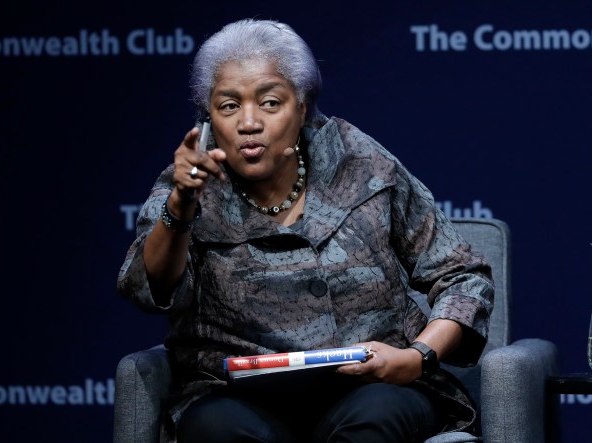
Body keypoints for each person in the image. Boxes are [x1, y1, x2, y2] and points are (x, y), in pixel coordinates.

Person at [117, 18, 494, 443]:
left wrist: (418, 357)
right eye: (228, 106)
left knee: (373, 418)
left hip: (372, 387)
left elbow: (462, 276)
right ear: (208, 120)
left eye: (270, 103)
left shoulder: (360, 164)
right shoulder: (188, 184)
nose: (248, 122)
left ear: (302, 107)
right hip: (236, 397)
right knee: (216, 429)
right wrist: (182, 204)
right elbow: (150, 289)